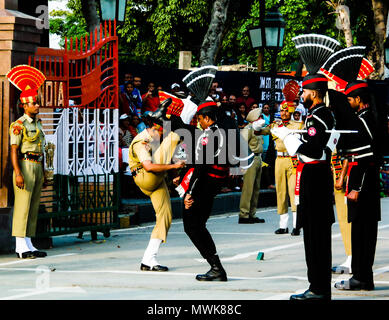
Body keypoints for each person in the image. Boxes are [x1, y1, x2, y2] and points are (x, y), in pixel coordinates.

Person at [271, 73, 335, 300]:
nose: (302, 95)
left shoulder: (316, 117)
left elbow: (313, 150)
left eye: (305, 92)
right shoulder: (324, 114)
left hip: (315, 176)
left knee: (315, 236)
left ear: (315, 94)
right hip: (319, 176)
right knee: (318, 234)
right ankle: (319, 287)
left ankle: (318, 289)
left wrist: (289, 137)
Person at [334, 81, 381, 291]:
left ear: (359, 100)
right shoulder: (368, 118)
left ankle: (361, 276)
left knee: (362, 232)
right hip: (364, 181)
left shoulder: (365, 120)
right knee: (364, 231)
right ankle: (363, 276)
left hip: (363, 183)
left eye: (350, 99)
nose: (348, 102)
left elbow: (367, 157)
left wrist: (356, 188)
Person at [128, 101, 185, 271]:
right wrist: (174, 168)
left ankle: (148, 259)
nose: (161, 132)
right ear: (153, 127)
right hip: (146, 177)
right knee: (174, 136)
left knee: (165, 217)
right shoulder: (141, 141)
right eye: (160, 128)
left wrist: (174, 176)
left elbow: (165, 159)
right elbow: (149, 166)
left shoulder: (154, 139)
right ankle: (187, 108)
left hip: (157, 180)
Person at [182, 100, 231, 282]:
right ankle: (215, 266)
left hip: (203, 186)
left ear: (208, 119)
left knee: (193, 226)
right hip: (212, 186)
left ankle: (216, 267)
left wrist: (190, 193)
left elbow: (202, 166)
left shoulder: (209, 136)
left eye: (200, 118)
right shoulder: (222, 132)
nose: (199, 122)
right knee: (197, 226)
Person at [7, 65, 48, 259]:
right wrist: (17, 172)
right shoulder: (18, 125)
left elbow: (42, 149)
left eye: (37, 102)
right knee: (23, 205)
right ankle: (20, 246)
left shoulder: (38, 123)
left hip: (38, 165)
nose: (37, 105)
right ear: (24, 105)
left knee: (32, 207)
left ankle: (29, 243)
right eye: (33, 103)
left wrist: (45, 171)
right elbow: (14, 150)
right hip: (24, 165)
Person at [238, 108, 266, 224]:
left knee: (256, 188)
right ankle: (244, 214)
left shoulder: (257, 129)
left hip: (258, 158)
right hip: (250, 159)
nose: (262, 119)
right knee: (248, 188)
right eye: (259, 117)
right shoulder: (248, 129)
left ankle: (252, 213)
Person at [331, 149, 352, 274]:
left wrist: (341, 177)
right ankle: (351, 256)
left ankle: (352, 257)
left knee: (346, 219)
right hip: (339, 173)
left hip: (345, 177)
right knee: (343, 219)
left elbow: (347, 155)